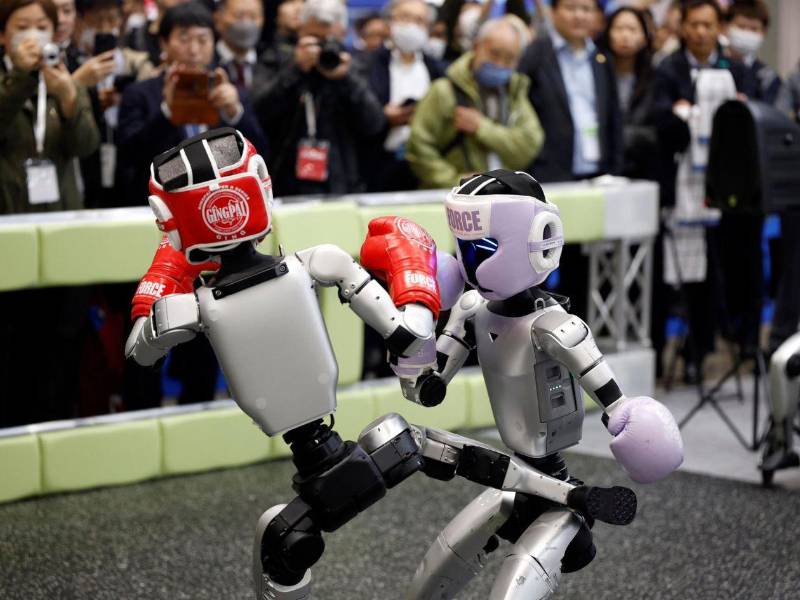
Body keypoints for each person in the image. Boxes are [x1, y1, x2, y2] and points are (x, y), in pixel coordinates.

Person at [0, 0, 100, 427]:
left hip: (63, 230)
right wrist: (21, 78)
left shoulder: (63, 75)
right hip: (11, 233)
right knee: (12, 348)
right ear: (3, 36)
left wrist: (69, 98)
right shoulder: (9, 81)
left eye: (42, 25)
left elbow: (87, 146)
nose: (34, 34)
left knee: (60, 346)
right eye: (22, 26)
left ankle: (56, 430)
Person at [116, 1, 266, 206]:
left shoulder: (229, 92)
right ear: (164, 43)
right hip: (162, 205)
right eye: (184, 39)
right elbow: (129, 157)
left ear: (214, 42)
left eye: (203, 40)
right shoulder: (139, 94)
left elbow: (260, 155)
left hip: (222, 203)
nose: (194, 50)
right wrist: (166, 112)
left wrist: (235, 113)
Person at [253, 0, 385, 196]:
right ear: (301, 30)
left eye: (329, 39)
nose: (323, 47)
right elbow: (259, 114)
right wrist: (296, 70)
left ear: (343, 33)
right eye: (315, 38)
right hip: (286, 183)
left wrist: (346, 79)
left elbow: (374, 124)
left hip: (344, 184)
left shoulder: (355, 65)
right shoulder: (278, 60)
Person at [406, 17, 543, 189]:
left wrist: (481, 127)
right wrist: (458, 182)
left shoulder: (515, 93)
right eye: (494, 53)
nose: (500, 64)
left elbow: (529, 146)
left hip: (500, 193)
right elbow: (418, 148)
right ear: (477, 46)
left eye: (509, 59)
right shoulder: (444, 91)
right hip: (451, 197)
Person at [517, 0, 623, 183]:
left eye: (586, 9)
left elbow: (613, 116)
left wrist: (615, 168)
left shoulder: (601, 59)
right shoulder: (535, 55)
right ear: (553, 12)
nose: (579, 15)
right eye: (571, 8)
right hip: (547, 173)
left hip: (598, 173)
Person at [357, 0, 444, 192]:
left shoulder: (435, 68)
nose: (412, 25)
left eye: (419, 20)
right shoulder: (367, 64)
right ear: (390, 21)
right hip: (379, 162)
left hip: (425, 165)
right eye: (405, 17)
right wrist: (383, 117)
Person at [599, 5, 657, 179]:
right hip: (603, 167)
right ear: (608, 33)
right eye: (619, 29)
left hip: (642, 167)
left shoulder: (655, 77)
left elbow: (656, 130)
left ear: (644, 37)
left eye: (632, 29)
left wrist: (618, 137)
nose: (625, 35)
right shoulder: (597, 72)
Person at [723, 0, 781, 105]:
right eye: (741, 27)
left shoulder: (768, 78)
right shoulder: (711, 65)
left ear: (764, 32)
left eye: (754, 29)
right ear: (726, 26)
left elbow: (772, 111)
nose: (747, 33)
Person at [213, 0, 267, 92]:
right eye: (239, 16)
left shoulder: (273, 64)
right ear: (218, 19)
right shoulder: (204, 62)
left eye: (253, 17)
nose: (246, 24)